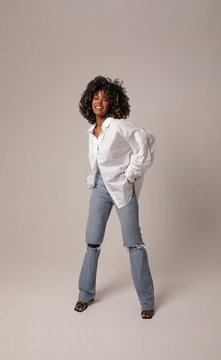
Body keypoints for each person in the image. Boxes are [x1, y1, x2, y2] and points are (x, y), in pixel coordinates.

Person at [74, 75, 156, 319]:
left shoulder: (118, 125)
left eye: (105, 98)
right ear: (90, 100)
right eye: (96, 97)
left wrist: (130, 175)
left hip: (121, 190)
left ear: (113, 103)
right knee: (92, 242)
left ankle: (147, 301)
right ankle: (85, 294)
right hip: (100, 189)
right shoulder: (92, 132)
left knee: (134, 244)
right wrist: (93, 179)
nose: (100, 101)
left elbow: (147, 138)